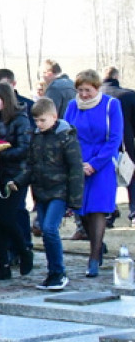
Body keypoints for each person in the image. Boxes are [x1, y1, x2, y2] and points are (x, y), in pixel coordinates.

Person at [9, 97, 84, 290]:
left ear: (54, 117)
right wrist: (18, 181)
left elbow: (76, 169)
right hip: (41, 192)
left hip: (60, 192)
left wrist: (75, 200)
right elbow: (31, 166)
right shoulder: (36, 137)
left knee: (50, 229)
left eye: (42, 120)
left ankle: (59, 272)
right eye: (36, 120)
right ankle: (52, 273)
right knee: (45, 232)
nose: (39, 124)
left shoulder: (66, 137)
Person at [63, 69, 123, 277]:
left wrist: (95, 164)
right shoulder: (73, 106)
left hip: (102, 164)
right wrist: (77, 162)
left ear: (97, 88)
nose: (84, 94)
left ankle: (94, 257)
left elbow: (114, 138)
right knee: (81, 209)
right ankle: (97, 243)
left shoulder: (111, 105)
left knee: (97, 209)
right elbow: (66, 134)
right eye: (80, 90)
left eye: (87, 90)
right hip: (78, 162)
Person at [0, 82, 33, 281]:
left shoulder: (20, 120)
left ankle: (23, 250)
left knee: (7, 218)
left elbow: (25, 149)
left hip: (16, 175)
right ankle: (2, 264)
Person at [101, 66, 135, 223]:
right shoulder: (129, 95)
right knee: (131, 175)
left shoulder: (97, 96)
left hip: (102, 143)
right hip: (126, 142)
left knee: (107, 177)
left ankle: (109, 212)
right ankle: (134, 210)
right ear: (116, 77)